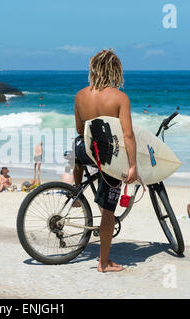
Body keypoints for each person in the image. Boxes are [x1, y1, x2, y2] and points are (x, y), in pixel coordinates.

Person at [73, 49, 137, 272]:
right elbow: (128, 135)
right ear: (115, 70)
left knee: (78, 146)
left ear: (94, 69)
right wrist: (132, 165)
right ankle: (104, 262)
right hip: (108, 157)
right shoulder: (120, 97)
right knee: (108, 211)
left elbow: (81, 130)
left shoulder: (80, 96)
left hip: (86, 152)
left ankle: (75, 190)